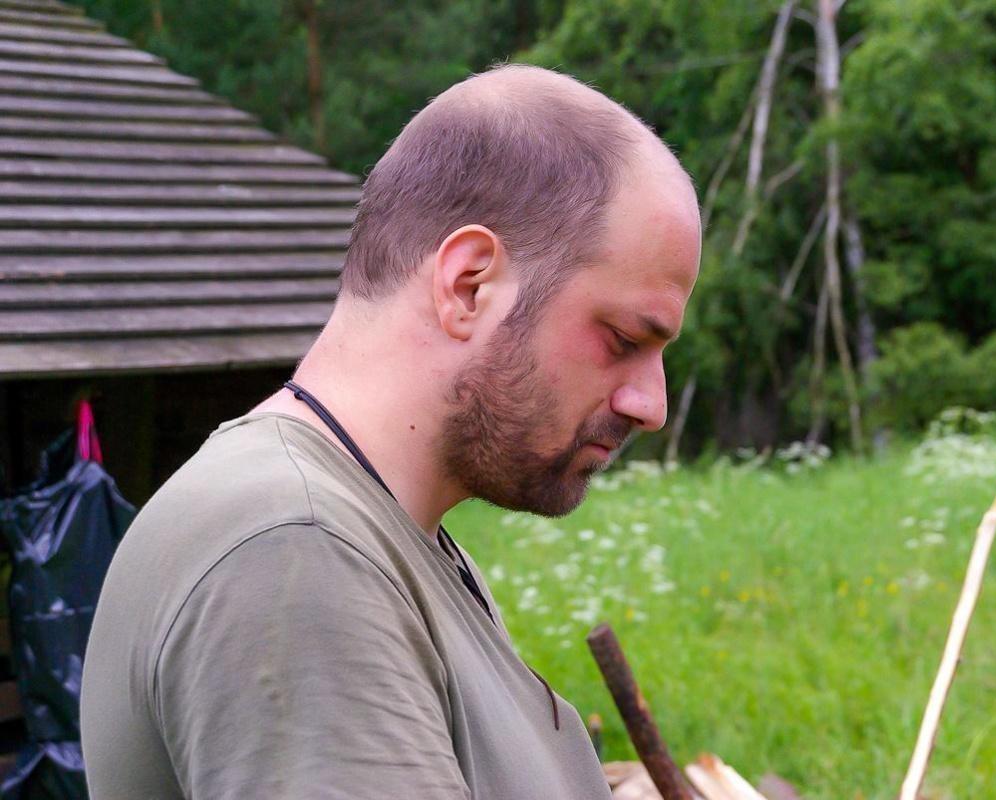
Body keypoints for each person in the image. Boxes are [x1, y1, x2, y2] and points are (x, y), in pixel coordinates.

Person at [79, 64, 701, 799]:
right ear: (469, 285)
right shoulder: (294, 553)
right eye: (625, 338)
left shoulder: (379, 537)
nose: (651, 405)